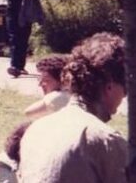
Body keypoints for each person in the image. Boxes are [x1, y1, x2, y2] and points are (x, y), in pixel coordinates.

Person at [18, 33, 127, 182]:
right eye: (125, 88)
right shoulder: (106, 140)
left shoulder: (36, 128)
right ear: (110, 87)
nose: (125, 96)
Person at [24, 55, 71, 120]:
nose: (40, 84)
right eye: (39, 79)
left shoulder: (59, 97)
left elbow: (28, 112)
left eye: (46, 80)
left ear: (63, 81)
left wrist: (50, 97)